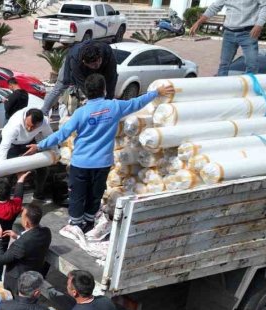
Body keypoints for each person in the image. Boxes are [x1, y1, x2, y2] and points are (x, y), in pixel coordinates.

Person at [26, 75, 174, 231]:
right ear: (104, 90)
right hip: (102, 163)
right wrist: (156, 92)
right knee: (95, 194)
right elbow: (137, 103)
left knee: (77, 195)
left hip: (81, 164)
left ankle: (76, 224)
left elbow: (61, 135)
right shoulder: (115, 107)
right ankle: (89, 223)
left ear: (86, 92)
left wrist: (39, 146)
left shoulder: (80, 113)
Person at [191, 0, 266, 76]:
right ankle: (222, 87)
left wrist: (259, 24)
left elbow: (265, 6)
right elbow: (214, 7)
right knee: (224, 65)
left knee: (252, 65)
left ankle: (249, 87)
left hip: (248, 33)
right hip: (229, 33)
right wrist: (199, 22)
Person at [0, 202, 51, 298]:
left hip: (17, 281)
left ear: (26, 222)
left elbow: (1, 259)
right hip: (34, 274)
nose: (20, 217)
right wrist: (18, 236)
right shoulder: (46, 232)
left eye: (22, 216)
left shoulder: (22, 244)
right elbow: (31, 244)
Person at [40, 40, 118, 116]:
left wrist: (107, 103)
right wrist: (95, 101)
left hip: (100, 62)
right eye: (94, 65)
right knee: (60, 87)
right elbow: (81, 83)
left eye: (99, 62)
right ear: (84, 62)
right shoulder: (75, 59)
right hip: (71, 61)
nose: (97, 66)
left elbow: (112, 80)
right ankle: (43, 113)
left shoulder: (107, 53)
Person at [0, 108, 54, 201]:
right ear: (25, 118)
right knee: (8, 173)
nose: (29, 129)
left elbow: (50, 137)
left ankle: (38, 195)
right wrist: (2, 167)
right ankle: (4, 199)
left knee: (43, 168)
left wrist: (55, 152)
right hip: (12, 145)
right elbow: (3, 148)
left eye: (33, 127)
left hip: (29, 143)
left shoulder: (44, 122)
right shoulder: (14, 125)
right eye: (28, 125)